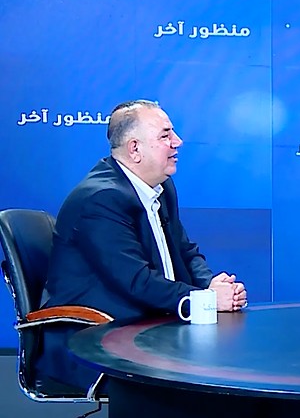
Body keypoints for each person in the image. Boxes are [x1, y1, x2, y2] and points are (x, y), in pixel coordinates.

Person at [39, 99, 247, 391]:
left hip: (149, 325)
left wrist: (210, 285)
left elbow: (185, 251)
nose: (178, 142)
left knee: (234, 358)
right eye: (165, 135)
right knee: (215, 381)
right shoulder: (100, 199)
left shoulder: (160, 186)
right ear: (134, 149)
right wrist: (206, 300)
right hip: (97, 340)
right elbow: (136, 282)